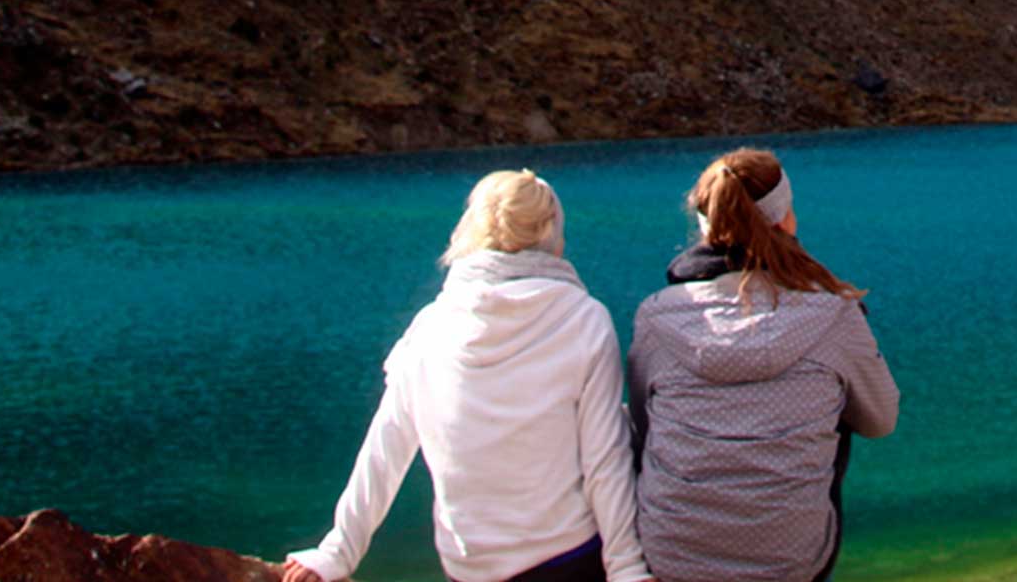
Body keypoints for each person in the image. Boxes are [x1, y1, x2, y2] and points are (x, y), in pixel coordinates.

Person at [285, 170, 653, 582]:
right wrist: (626, 568)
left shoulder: (431, 327)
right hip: (567, 559)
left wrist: (338, 552)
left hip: (470, 568)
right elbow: (604, 459)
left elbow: (386, 448)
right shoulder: (584, 319)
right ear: (554, 237)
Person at [628, 149, 898, 582]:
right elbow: (880, 421)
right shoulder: (833, 314)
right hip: (791, 561)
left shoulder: (656, 317)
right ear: (784, 219)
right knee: (836, 399)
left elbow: (644, 430)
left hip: (672, 556)